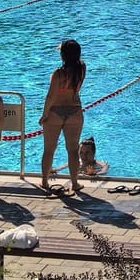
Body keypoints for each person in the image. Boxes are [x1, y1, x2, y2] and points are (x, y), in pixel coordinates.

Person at [40, 39, 86, 195]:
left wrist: (44, 114)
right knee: (73, 150)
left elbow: (51, 95)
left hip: (55, 112)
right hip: (74, 111)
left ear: (63, 55)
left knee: (49, 150)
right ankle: (75, 183)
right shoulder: (82, 68)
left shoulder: (58, 73)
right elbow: (77, 88)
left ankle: (45, 182)